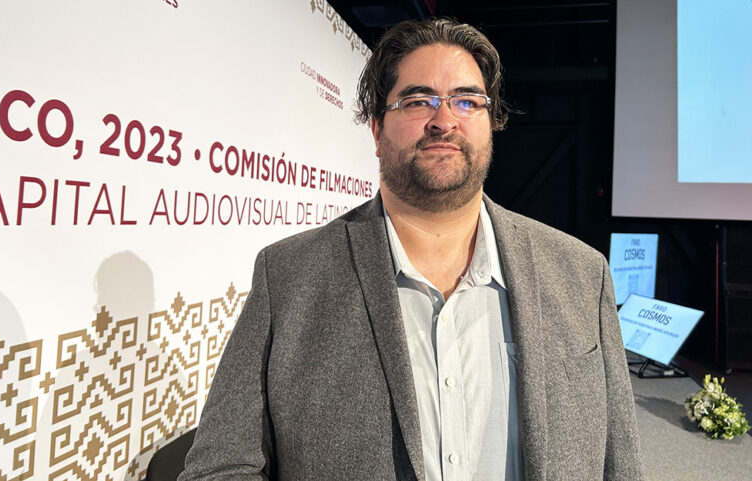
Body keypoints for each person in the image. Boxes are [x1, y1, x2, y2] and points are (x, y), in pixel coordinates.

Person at [179, 18, 644, 481]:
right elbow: (222, 466)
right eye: (419, 101)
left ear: (491, 124)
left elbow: (619, 464)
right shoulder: (288, 276)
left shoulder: (581, 275)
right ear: (377, 130)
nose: (444, 120)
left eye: (467, 101)